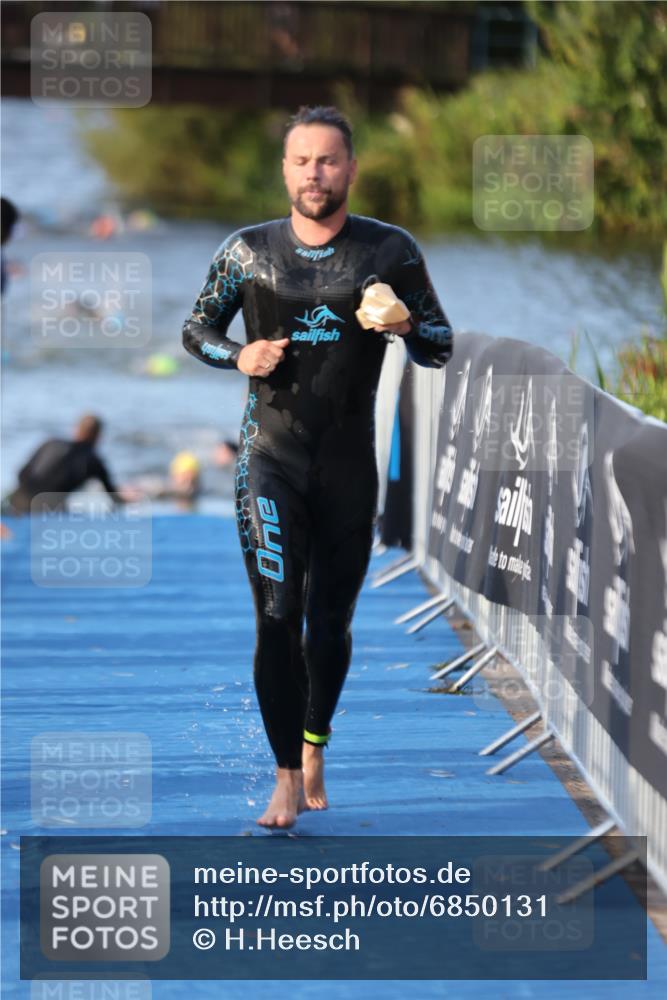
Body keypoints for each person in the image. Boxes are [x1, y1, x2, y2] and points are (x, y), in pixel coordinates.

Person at [183, 105, 453, 828]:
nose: (314, 173)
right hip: (269, 458)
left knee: (327, 625)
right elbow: (195, 328)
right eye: (302, 160)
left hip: (345, 468)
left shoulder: (387, 252)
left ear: (350, 169)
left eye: (328, 160)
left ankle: (312, 743)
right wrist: (238, 354)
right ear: (285, 169)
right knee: (278, 616)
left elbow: (439, 343)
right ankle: (281, 776)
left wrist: (403, 326)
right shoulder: (246, 252)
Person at [3, 414, 125, 514]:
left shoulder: (50, 443)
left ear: (76, 430)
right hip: (47, 511)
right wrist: (127, 499)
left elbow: (21, 473)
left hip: (17, 502)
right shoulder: (93, 460)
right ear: (98, 437)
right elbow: (114, 497)